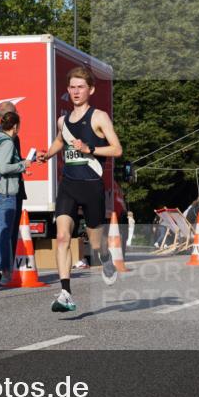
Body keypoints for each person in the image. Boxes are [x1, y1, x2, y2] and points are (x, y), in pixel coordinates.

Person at [37, 66, 123, 312]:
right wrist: (47, 154)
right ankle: (65, 292)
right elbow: (58, 140)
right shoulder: (63, 120)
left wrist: (90, 150)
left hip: (92, 186)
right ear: (68, 90)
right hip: (69, 185)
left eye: (81, 87)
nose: (76, 92)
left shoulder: (99, 117)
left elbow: (117, 149)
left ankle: (106, 260)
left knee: (96, 245)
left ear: (91, 90)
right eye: (72, 87)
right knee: (62, 236)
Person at [0, 111, 30, 286]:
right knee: (5, 233)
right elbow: (3, 167)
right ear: (15, 126)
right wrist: (23, 164)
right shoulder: (8, 141)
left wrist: (19, 166)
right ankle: (6, 272)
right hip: (5, 193)